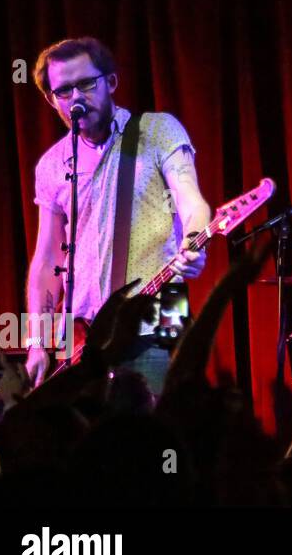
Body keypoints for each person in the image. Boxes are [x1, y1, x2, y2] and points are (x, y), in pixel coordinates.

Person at [24, 37, 210, 394]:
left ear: (110, 82)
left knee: (147, 427)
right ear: (51, 99)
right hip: (83, 330)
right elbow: (46, 260)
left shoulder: (157, 131)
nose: (76, 97)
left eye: (86, 84)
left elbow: (192, 202)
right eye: (63, 90)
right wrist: (36, 340)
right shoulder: (51, 165)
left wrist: (193, 242)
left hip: (158, 311)